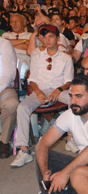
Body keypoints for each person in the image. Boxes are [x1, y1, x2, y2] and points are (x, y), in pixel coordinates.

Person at [10, 25, 73, 168]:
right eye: (44, 37)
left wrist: (58, 90)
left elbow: (68, 81)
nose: (47, 39)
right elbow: (32, 80)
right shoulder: (37, 56)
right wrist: (37, 92)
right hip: (41, 89)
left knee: (72, 100)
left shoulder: (65, 58)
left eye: (51, 36)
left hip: (59, 89)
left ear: (58, 38)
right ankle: (24, 150)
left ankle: (71, 138)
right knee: (22, 107)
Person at [0, 36, 18, 159]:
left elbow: (8, 74)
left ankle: (4, 141)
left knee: (11, 104)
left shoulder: (4, 44)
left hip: (3, 87)